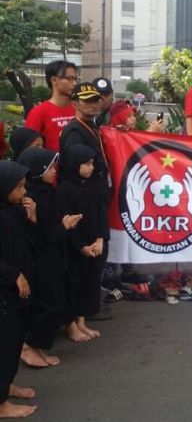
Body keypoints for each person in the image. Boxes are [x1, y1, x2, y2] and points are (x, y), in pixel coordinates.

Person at [17, 147, 81, 368]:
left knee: (56, 301)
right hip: (41, 261)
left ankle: (38, 346)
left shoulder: (46, 192)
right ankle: (29, 346)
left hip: (55, 257)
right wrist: (62, 226)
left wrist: (63, 224)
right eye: (49, 167)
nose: (54, 171)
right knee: (50, 304)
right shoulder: (28, 198)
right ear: (37, 170)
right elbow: (39, 236)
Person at [57, 144, 109, 342]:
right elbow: (67, 221)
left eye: (92, 163)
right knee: (72, 284)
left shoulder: (93, 186)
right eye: (86, 164)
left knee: (89, 283)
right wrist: (81, 246)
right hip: (74, 247)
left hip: (93, 243)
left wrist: (100, 238)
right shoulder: (64, 190)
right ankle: (71, 325)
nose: (91, 168)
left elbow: (101, 215)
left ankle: (81, 320)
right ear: (73, 164)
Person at [0, 161, 38, 419]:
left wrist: (32, 217)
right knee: (5, 343)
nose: (23, 192)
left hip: (17, 289)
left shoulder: (11, 210)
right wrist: (14, 275)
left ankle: (6, 385)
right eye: (18, 187)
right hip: (5, 289)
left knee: (14, 341)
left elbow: (25, 242)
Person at [59, 82, 111, 193]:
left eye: (96, 100)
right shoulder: (74, 132)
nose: (93, 104)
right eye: (88, 100)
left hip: (97, 190)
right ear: (74, 104)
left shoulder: (91, 125)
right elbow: (76, 173)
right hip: (83, 195)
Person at [25, 60, 77, 152]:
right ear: (54, 80)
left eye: (75, 79)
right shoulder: (39, 112)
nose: (74, 83)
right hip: (51, 165)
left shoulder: (78, 109)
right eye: (69, 78)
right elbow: (29, 148)